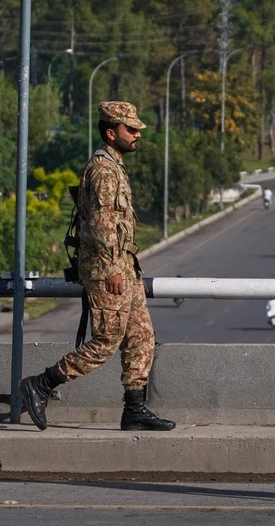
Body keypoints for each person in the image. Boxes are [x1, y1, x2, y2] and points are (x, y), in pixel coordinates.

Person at [20, 101, 175, 432]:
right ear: (110, 132)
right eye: (130, 130)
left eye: (137, 130)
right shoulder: (103, 170)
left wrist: (124, 267)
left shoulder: (115, 166)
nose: (136, 135)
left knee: (141, 336)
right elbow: (100, 222)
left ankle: (134, 409)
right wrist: (112, 269)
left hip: (124, 266)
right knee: (107, 340)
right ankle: (41, 384)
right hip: (109, 269)